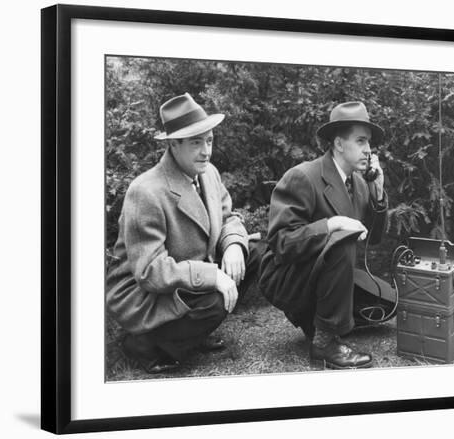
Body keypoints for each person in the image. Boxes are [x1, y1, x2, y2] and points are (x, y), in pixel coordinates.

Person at [106, 93, 259, 374]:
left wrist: (235, 244)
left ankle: (192, 334)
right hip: (144, 292)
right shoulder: (146, 191)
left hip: (186, 274)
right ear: (173, 145)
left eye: (209, 140)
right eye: (195, 142)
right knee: (215, 302)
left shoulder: (208, 172)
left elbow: (229, 217)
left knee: (254, 255)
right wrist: (213, 276)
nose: (206, 151)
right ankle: (144, 344)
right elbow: (151, 271)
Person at [259, 101, 394, 369]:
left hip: (326, 272)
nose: (368, 150)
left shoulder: (359, 182)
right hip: (288, 276)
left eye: (369, 143)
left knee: (388, 302)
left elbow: (375, 238)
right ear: (339, 144)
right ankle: (324, 341)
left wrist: (378, 192)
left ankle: (324, 318)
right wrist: (331, 224)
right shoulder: (303, 176)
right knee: (340, 239)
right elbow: (281, 243)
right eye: (361, 141)